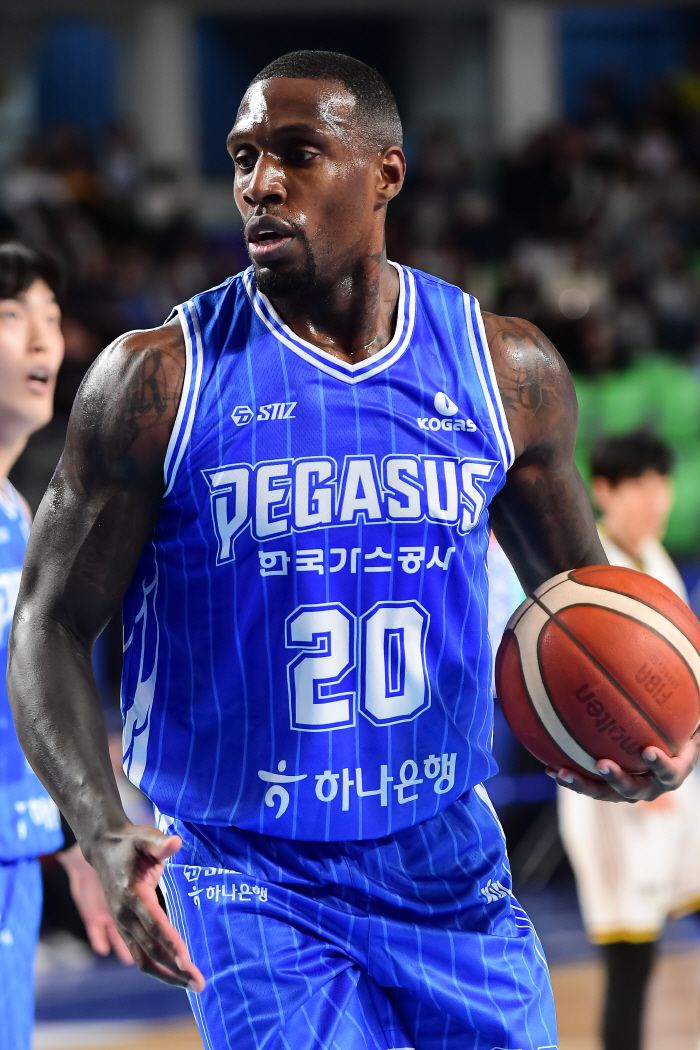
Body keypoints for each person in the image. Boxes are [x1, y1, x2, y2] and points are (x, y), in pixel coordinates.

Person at [7, 52, 699, 1050]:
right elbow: (49, 623)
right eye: (243, 158)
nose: (260, 183)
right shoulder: (157, 382)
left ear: (385, 174)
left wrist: (635, 737)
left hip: (446, 854)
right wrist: (101, 824)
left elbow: (581, 605)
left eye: (297, 153)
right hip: (250, 873)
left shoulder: (505, 373)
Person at [0, 242, 130, 1050]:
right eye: (11, 316)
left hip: (16, 860)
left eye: (50, 316)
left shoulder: (17, 515)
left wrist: (83, 837)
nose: (41, 337)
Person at [558, 429, 700, 1050]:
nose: (655, 498)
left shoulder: (657, 561)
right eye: (638, 484)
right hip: (612, 794)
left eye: (661, 482)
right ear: (603, 491)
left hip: (676, 783)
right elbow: (578, 697)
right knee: (630, 963)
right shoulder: (589, 575)